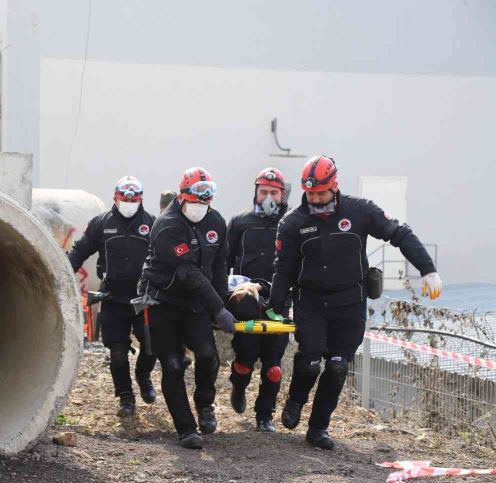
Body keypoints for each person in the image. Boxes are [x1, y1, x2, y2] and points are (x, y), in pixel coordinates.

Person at [269, 155, 442, 449]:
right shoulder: (293, 223)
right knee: (310, 362)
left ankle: (318, 428)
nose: (316, 200)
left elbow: (400, 233)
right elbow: (282, 269)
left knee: (337, 366)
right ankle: (296, 400)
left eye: (321, 193)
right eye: (310, 194)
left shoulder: (360, 211)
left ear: (334, 186)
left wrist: (427, 269)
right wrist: (276, 307)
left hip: (350, 302)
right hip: (310, 302)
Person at [138, 167, 236, 449]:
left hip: (195, 302)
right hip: (162, 301)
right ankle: (185, 429)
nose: (200, 206)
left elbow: (219, 265)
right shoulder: (168, 225)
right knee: (173, 364)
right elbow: (189, 273)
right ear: (182, 197)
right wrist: (218, 309)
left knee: (208, 356)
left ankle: (205, 404)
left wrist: (221, 301)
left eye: (205, 200)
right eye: (195, 200)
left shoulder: (216, 221)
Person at [68, 176, 158, 417]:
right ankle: (126, 397)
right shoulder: (100, 223)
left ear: (141, 199)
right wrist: (64, 271)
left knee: (153, 346)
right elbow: (79, 251)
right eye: (124, 197)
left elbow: (165, 258)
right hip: (113, 298)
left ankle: (143, 375)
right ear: (115, 198)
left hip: (144, 298)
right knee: (117, 352)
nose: (128, 201)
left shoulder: (153, 224)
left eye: (133, 198)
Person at [225, 168, 290, 433]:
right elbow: (224, 263)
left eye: (273, 192)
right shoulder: (240, 222)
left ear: (282, 194)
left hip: (278, 301)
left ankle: (265, 415)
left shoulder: (292, 222)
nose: (268, 197)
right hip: (246, 301)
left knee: (273, 366)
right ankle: (238, 388)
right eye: (263, 192)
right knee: (245, 359)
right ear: (255, 192)